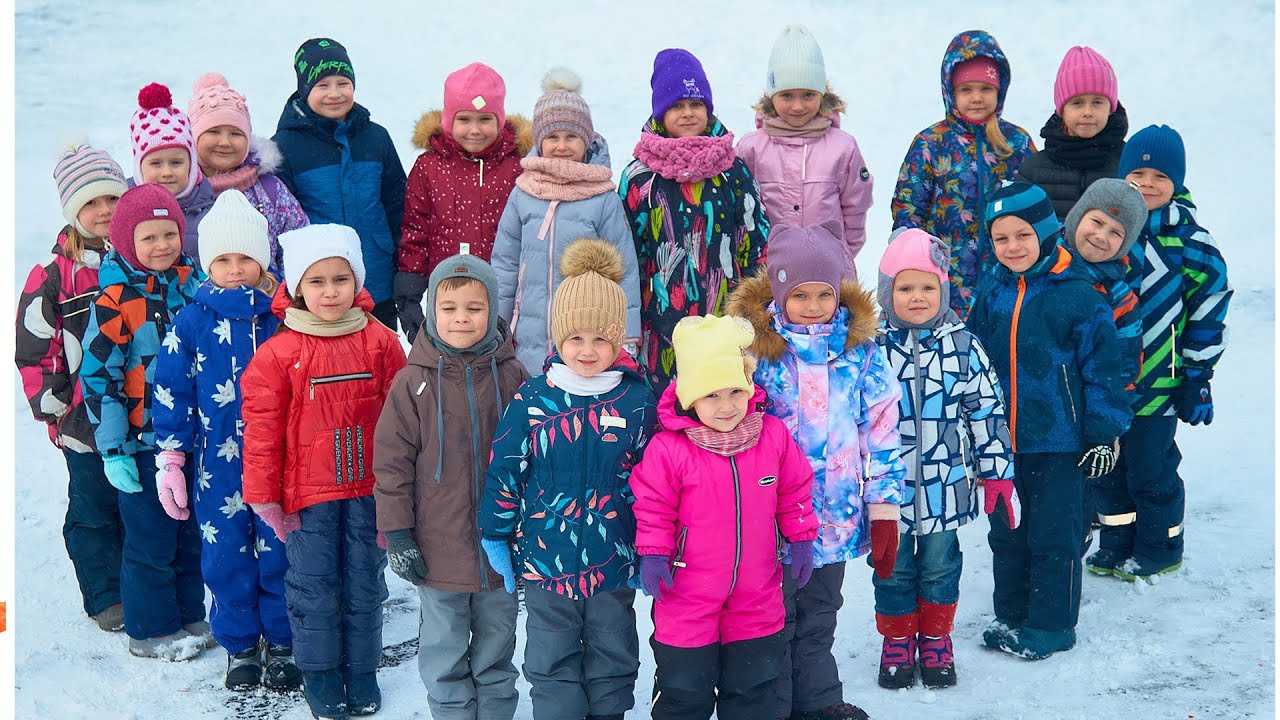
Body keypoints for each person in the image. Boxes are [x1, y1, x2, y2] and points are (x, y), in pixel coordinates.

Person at [726, 222, 903, 719]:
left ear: (838, 292)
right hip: (769, 517)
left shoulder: (860, 351)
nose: (811, 305)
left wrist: (884, 508)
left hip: (836, 514)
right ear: (779, 293)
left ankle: (818, 701)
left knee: (821, 613)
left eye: (822, 294)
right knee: (773, 617)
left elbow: (883, 429)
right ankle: (775, 705)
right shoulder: (755, 353)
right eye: (798, 294)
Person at [480, 239, 657, 720]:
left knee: (613, 656)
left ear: (618, 339)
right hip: (545, 561)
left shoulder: (638, 402)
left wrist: (651, 547)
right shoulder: (534, 399)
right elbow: (506, 469)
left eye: (600, 339)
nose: (587, 350)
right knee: (550, 659)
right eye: (575, 338)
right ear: (558, 338)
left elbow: (656, 483)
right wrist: (496, 533)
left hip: (613, 558)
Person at [240, 223, 407, 718]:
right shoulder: (279, 353)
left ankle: (361, 668)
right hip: (307, 496)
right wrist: (265, 496)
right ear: (295, 287)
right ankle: (320, 671)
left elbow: (403, 421)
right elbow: (263, 432)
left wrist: (405, 485)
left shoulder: (381, 342)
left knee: (365, 583)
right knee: (314, 587)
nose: (330, 292)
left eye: (340, 279)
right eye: (317, 281)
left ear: (357, 282)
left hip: (369, 491)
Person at [968, 181, 1132, 660]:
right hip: (1000, 444)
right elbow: (973, 361)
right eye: (1001, 238)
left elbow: (1106, 371)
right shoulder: (992, 289)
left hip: (1061, 442)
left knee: (1054, 535)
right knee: (1007, 533)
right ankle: (1012, 614)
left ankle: (1051, 625)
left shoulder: (1078, 294)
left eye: (1022, 235)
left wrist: (1103, 433)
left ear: (1044, 231)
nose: (1013, 247)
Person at [631, 313, 816, 720]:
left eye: (735, 390)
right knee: (684, 692)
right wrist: (654, 553)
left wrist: (801, 538)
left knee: (755, 693)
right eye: (711, 395)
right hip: (686, 595)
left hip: (757, 594)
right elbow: (653, 505)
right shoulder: (669, 449)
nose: (727, 405)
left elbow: (795, 489)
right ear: (689, 397)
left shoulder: (772, 436)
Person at [149, 190, 299, 691]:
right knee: (226, 555)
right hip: (219, 464)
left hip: (280, 460)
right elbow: (171, 388)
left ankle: (281, 640)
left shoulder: (283, 317)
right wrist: (171, 456)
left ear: (264, 260)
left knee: (280, 549)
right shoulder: (192, 320)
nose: (236, 269)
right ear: (207, 263)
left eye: (246, 259)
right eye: (224, 260)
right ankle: (239, 645)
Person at [374, 253, 528, 720]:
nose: (462, 317)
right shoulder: (411, 383)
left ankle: (496, 712)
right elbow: (391, 466)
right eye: (449, 307)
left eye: (475, 308)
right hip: (437, 549)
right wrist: (398, 535)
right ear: (431, 312)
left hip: (499, 549)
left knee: (497, 644)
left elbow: (533, 458)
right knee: (443, 648)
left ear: (493, 310)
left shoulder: (515, 376)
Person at [872, 227, 1014, 689]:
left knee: (939, 564)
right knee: (892, 566)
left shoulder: (963, 346)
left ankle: (935, 637)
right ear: (886, 292)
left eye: (928, 287)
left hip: (945, 487)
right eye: (906, 287)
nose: (917, 297)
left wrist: (996, 474)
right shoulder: (870, 350)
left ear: (945, 290)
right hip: (886, 490)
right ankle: (897, 638)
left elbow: (987, 410)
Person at [1088, 125, 1232, 582]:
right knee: (1109, 471)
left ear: (1178, 183)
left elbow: (1210, 310)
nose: (1147, 183)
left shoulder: (1193, 245)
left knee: (1151, 470)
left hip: (1161, 384)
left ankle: (1160, 546)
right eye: (1138, 172)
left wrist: (1197, 375)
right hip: (1108, 386)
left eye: (1159, 176)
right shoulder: (1107, 237)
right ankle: (1115, 543)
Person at [79, 183, 209, 659]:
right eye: (148, 237)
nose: (161, 246)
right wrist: (113, 449)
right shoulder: (114, 301)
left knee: (193, 534)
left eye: (169, 234)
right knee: (152, 540)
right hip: (142, 443)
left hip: (193, 438)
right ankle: (152, 629)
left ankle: (190, 616)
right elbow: (98, 377)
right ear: (125, 243)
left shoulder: (196, 288)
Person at [16, 144, 128, 632]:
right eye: (90, 203)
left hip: (137, 411)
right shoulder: (52, 277)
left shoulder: (140, 257)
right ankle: (105, 593)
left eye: (111, 200)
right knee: (95, 506)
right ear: (71, 211)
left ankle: (140, 581)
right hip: (82, 420)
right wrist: (57, 408)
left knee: (137, 501)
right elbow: (34, 349)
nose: (103, 212)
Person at [619, 48, 770, 396]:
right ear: (660, 112)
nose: (687, 113)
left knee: (723, 401)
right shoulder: (640, 177)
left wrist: (752, 312)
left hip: (726, 320)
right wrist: (635, 320)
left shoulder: (733, 170)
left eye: (695, 104)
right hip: (661, 325)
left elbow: (754, 242)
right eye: (676, 106)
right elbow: (629, 254)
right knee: (667, 408)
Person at [491, 67, 641, 373]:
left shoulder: (602, 197)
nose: (562, 146)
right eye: (553, 137)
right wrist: (498, 324)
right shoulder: (524, 193)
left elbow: (623, 269)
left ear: (586, 140)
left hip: (584, 336)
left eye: (571, 136)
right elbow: (504, 264)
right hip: (527, 336)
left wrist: (626, 334)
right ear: (539, 142)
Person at [890, 30, 1035, 317]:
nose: (977, 98)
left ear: (1000, 89)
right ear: (951, 91)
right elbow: (909, 207)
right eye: (966, 90)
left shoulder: (1016, 143)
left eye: (986, 89)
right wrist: (915, 262)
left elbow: (1034, 206)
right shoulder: (931, 143)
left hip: (1008, 274)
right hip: (944, 279)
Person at [272, 37, 407, 331]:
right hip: (321, 288)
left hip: (377, 276)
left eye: (343, 83)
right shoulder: (285, 146)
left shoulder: (376, 138)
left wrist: (403, 265)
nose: (334, 93)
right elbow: (280, 221)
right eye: (322, 85)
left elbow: (398, 204)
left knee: (382, 358)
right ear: (304, 89)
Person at [397, 62, 529, 341]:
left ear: (500, 120)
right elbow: (415, 229)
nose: (475, 130)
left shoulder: (518, 166)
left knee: (499, 361)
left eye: (485, 119)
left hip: (503, 292)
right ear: (448, 121)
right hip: (448, 292)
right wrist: (409, 290)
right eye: (464, 119)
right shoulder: (429, 166)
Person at [737, 25, 873, 277]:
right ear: (772, 95)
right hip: (769, 272)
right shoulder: (751, 148)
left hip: (830, 271)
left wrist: (840, 252)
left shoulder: (843, 147)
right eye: (787, 95)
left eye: (808, 95)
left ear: (822, 93)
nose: (798, 106)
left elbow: (856, 208)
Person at [187, 71, 309, 270]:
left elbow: (299, 246)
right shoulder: (183, 192)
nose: (225, 142)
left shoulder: (270, 190)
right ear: (193, 136)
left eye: (236, 133)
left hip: (265, 298)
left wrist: (287, 296)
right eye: (213, 131)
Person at [1015, 46, 1128, 220]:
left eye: (1097, 102)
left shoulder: (1129, 164)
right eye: (1077, 103)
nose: (1088, 112)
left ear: (1111, 108)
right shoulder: (1032, 171)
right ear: (1062, 110)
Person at [128, 82, 217, 266]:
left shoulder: (211, 210)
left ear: (192, 165)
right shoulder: (124, 207)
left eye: (176, 163)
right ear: (139, 166)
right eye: (156, 163)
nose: (167, 172)